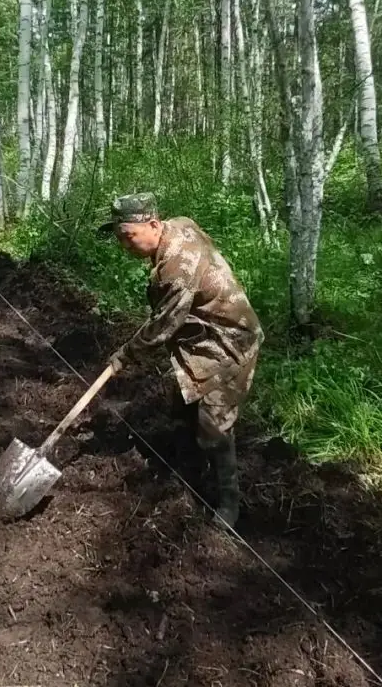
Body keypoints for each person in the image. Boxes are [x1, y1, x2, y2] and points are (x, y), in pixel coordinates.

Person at [100, 193, 263, 528]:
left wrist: (124, 355)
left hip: (230, 339)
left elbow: (163, 324)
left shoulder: (178, 264)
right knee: (181, 404)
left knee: (214, 425)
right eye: (119, 239)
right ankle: (186, 473)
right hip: (199, 336)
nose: (124, 246)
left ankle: (228, 504)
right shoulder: (177, 226)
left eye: (128, 236)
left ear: (154, 224)